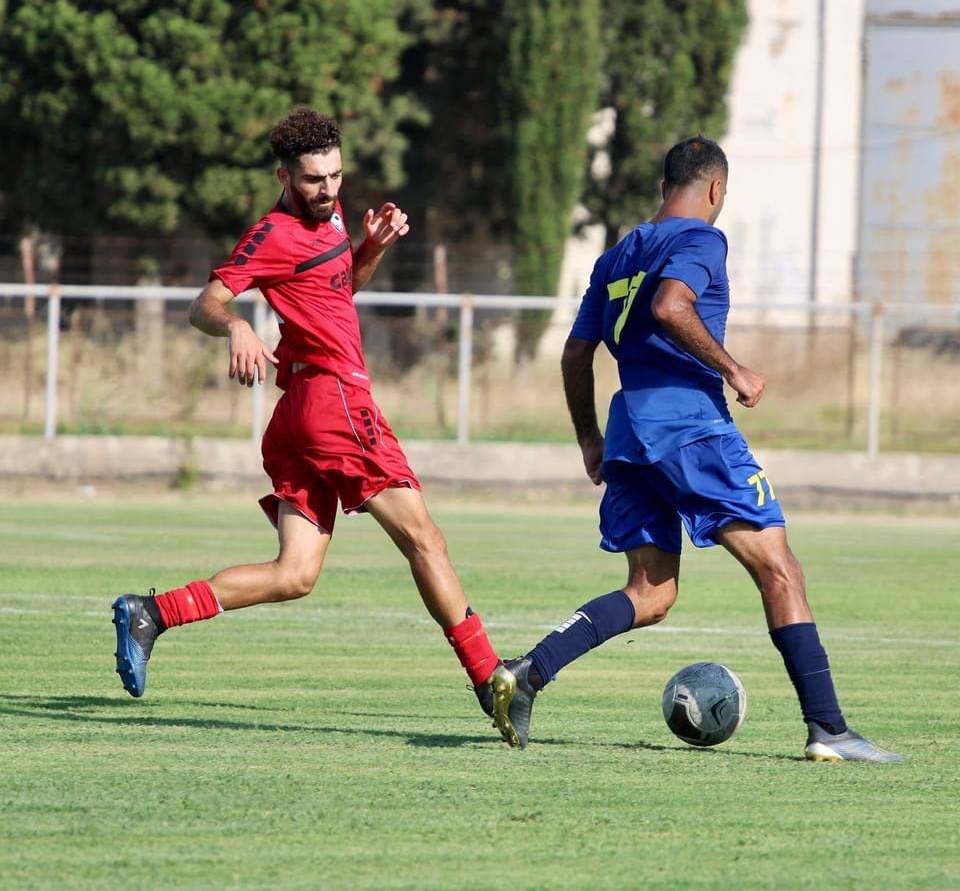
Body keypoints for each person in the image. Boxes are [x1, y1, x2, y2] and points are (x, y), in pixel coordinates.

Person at [489, 136, 902, 763]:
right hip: (690, 426)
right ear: (714, 189)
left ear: (664, 185)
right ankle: (830, 730)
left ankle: (527, 673)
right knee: (780, 570)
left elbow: (577, 353)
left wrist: (589, 438)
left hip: (629, 427)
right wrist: (734, 369)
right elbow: (671, 304)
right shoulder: (703, 239)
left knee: (651, 594)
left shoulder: (617, 255)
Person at [111, 107, 511, 735]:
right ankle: (492, 678)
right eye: (312, 181)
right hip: (334, 405)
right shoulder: (271, 233)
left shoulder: (331, 217)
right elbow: (205, 303)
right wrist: (240, 325)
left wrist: (370, 250)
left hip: (301, 413)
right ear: (283, 175)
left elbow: (336, 289)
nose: (326, 191)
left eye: (335, 177)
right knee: (425, 539)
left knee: (295, 575)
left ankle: (152, 612)